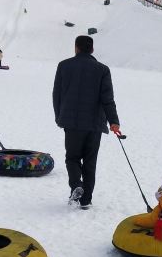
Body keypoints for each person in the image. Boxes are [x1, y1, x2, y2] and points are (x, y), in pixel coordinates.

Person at [52, 35, 121, 209]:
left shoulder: (64, 66)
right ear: (92, 49)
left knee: (72, 157)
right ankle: (86, 199)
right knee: (90, 161)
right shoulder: (102, 70)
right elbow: (107, 99)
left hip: (72, 123)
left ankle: (76, 185)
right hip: (94, 124)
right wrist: (113, 121)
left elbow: (57, 95)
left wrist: (59, 116)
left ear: (76, 48)